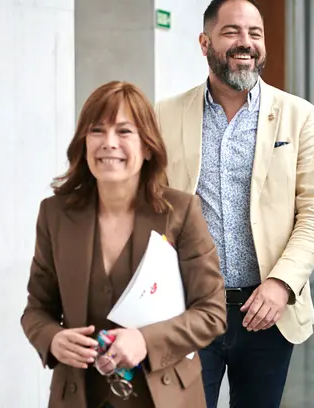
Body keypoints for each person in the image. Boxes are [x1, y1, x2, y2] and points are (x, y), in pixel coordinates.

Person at [154, 0, 314, 408]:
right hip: (189, 310)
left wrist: (281, 283)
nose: (245, 43)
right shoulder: (165, 114)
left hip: (266, 312)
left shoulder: (299, 116)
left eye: (255, 32)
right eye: (231, 32)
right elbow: (149, 207)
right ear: (205, 43)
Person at [20, 81, 227, 408]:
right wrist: (52, 339)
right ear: (84, 143)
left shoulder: (182, 212)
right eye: (97, 131)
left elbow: (212, 313)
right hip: (80, 395)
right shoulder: (55, 214)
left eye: (124, 131)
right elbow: (36, 310)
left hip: (166, 394)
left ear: (147, 147)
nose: (109, 143)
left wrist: (146, 341)